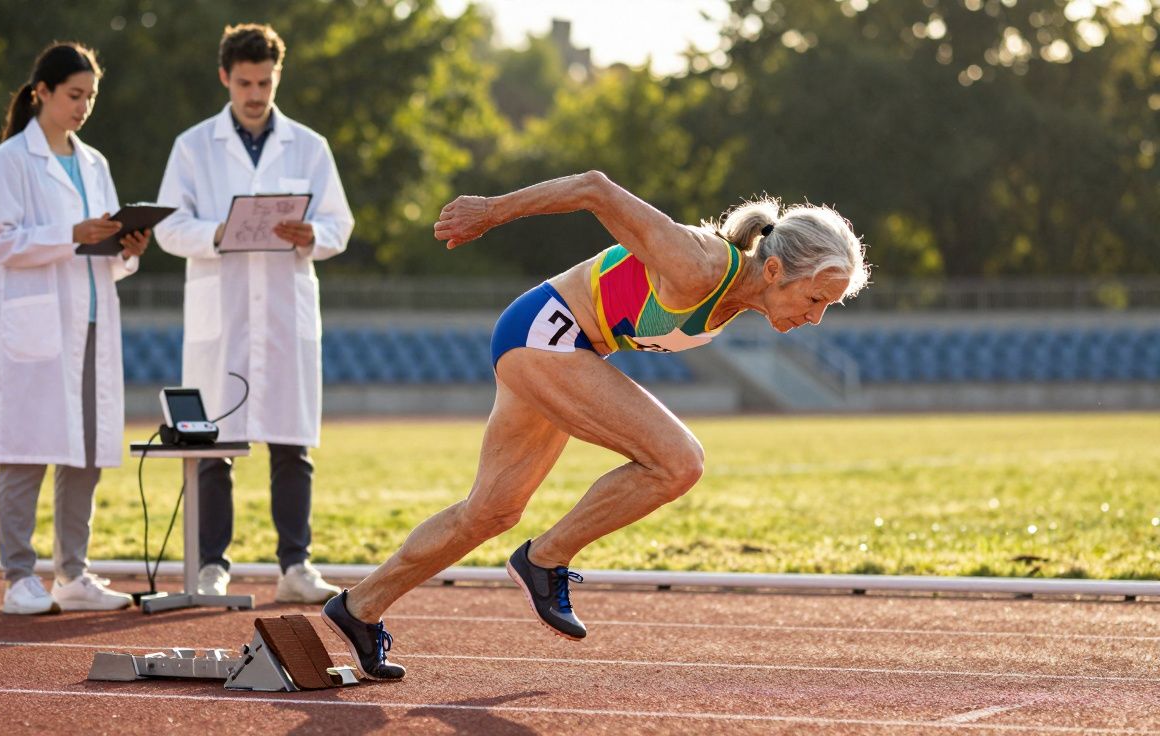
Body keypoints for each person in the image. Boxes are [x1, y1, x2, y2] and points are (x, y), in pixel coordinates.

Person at [322, 171, 871, 679]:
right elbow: (596, 189)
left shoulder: (736, 296)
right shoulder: (701, 264)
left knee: (491, 511)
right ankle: (544, 559)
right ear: (774, 270)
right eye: (816, 298)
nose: (816, 316)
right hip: (545, 336)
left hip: (552, 342)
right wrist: (492, 210)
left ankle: (359, 607)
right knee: (678, 461)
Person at [154, 23, 354, 604]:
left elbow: (340, 225)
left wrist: (311, 232)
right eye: (245, 82)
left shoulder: (310, 147)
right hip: (225, 310)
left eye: (265, 81)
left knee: (292, 444)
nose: (255, 93)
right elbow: (167, 226)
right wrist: (218, 231)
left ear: (277, 76)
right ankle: (212, 565)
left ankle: (296, 565)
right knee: (213, 443)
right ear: (225, 77)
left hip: (284, 310)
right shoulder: (193, 147)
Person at [0, 42, 150, 614]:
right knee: (27, 451)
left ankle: (73, 574)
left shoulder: (95, 163)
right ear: (43, 93)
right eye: (74, 96)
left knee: (85, 452)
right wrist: (71, 234)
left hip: (92, 322)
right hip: (38, 328)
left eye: (91, 97)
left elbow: (105, 254)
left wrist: (127, 247)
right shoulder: (9, 160)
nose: (83, 107)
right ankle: (18, 577)